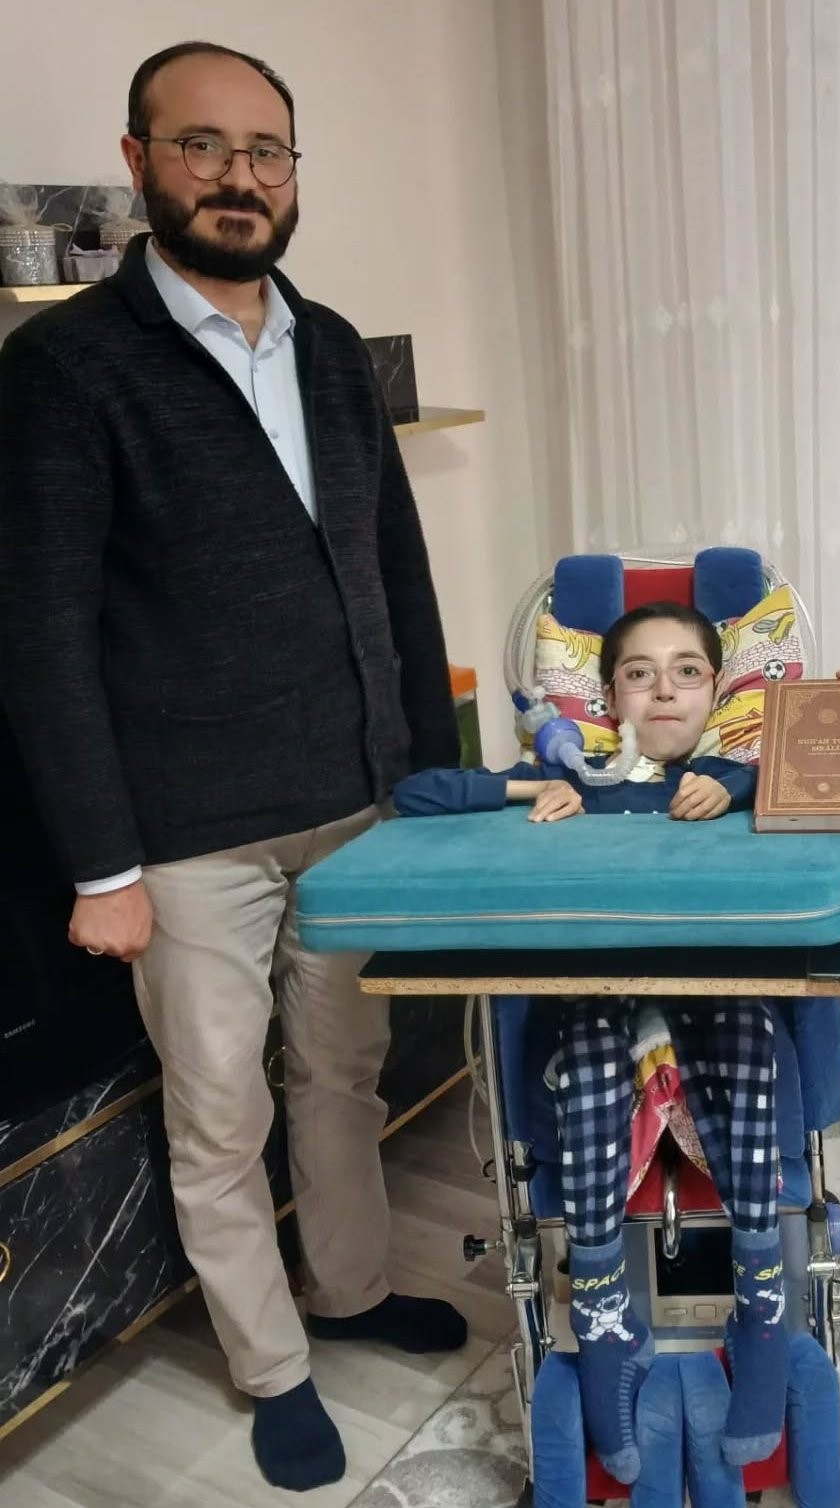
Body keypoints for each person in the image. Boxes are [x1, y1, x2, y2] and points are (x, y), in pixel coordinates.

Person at [0, 42, 467, 1494]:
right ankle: (271, 1368)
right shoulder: (66, 367)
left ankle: (349, 1290)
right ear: (139, 161)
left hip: (355, 804)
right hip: (187, 836)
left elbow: (395, 570)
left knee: (342, 1073)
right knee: (220, 1113)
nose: (239, 177)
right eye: (203, 146)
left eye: (267, 151)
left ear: (291, 174)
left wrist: (429, 778)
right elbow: (41, 635)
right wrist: (102, 865)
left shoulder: (329, 346)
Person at [395, 601, 790, 1480]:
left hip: (713, 1003)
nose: (664, 690)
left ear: (717, 689)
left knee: (743, 1024)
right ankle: (606, 1310)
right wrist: (535, 789)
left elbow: (825, 779)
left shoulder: (742, 772)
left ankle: (762, 1306)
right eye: (639, 674)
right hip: (603, 1008)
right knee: (588, 1041)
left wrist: (738, 785)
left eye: (687, 671)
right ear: (611, 697)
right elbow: (416, 795)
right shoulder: (584, 780)